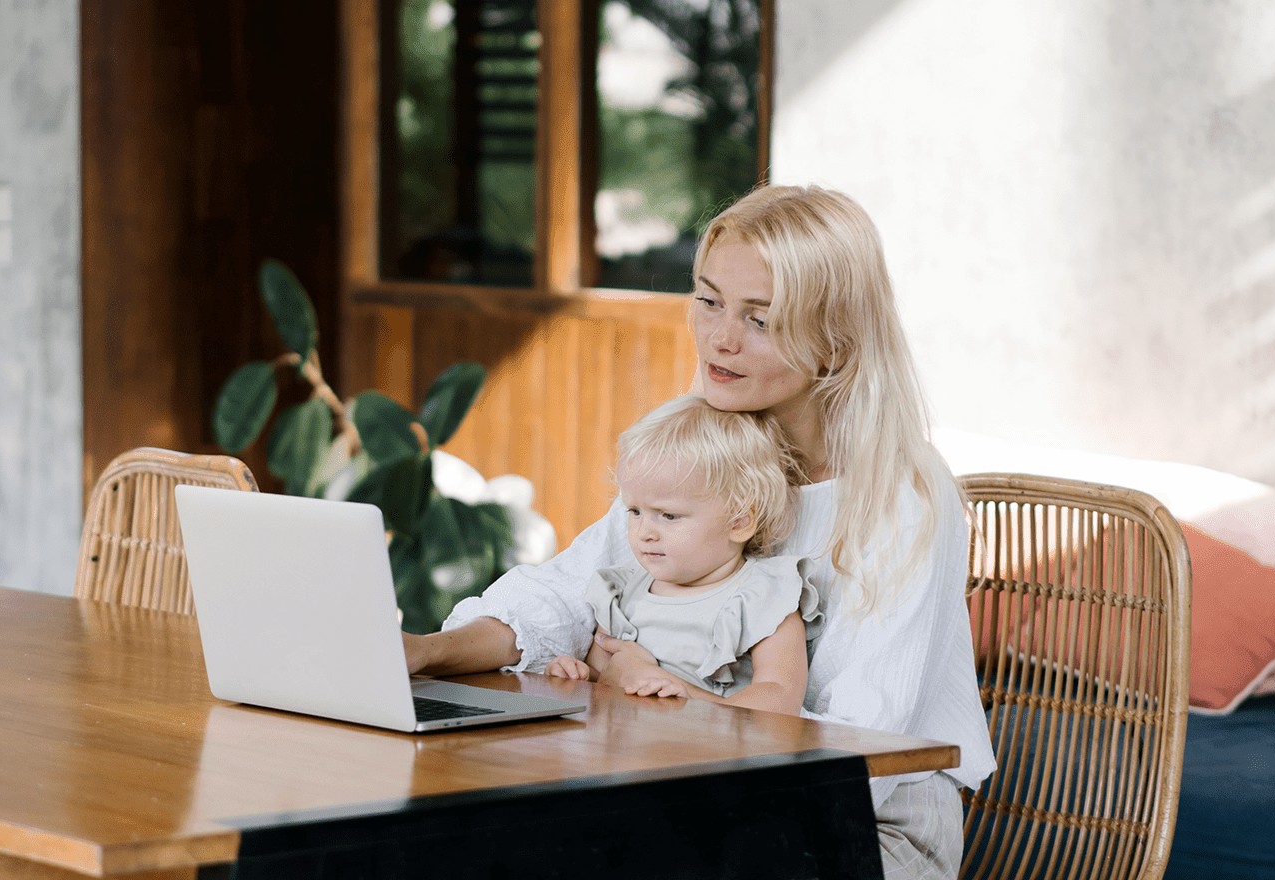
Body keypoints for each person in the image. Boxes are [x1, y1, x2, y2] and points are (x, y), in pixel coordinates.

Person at [404, 184, 997, 879]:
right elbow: (568, 594)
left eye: (761, 320)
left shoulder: (904, 494)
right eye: (709, 300)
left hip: (864, 828)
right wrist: (430, 653)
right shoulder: (710, 448)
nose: (720, 337)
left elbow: (858, 751)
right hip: (692, 789)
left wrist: (661, 691)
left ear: (835, 343)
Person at [543, 394, 821, 713]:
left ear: (740, 521)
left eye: (668, 515)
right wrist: (575, 678)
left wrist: (681, 692)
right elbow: (608, 681)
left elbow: (780, 704)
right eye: (634, 511)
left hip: (712, 756)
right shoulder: (622, 590)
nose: (643, 531)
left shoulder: (764, 596)